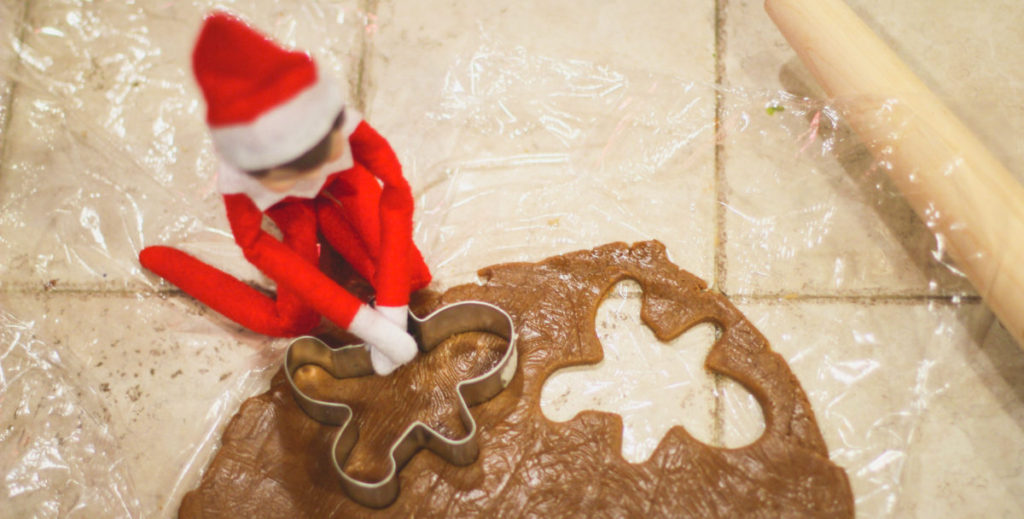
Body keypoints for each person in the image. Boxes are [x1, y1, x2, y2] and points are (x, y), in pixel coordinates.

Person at [139, 12, 431, 375]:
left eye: (318, 153)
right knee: (295, 319)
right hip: (288, 210)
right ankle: (318, 219)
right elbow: (256, 244)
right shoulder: (239, 179)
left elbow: (395, 191)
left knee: (411, 275)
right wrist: (366, 325)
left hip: (344, 181)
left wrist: (392, 306)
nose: (307, 171)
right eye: (289, 168)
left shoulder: (339, 122)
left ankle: (329, 218)